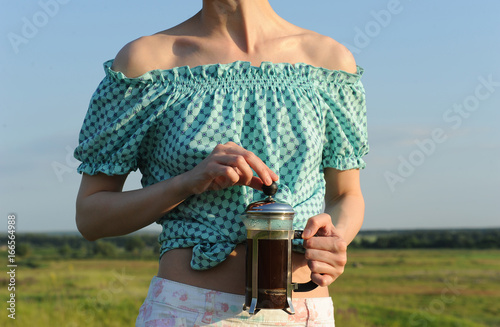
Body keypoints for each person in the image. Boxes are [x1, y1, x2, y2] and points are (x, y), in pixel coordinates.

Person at [74, 0, 369, 325]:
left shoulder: (329, 62)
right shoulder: (145, 63)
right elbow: (91, 216)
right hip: (186, 312)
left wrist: (334, 238)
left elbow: (346, 195)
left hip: (304, 314)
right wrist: (187, 182)